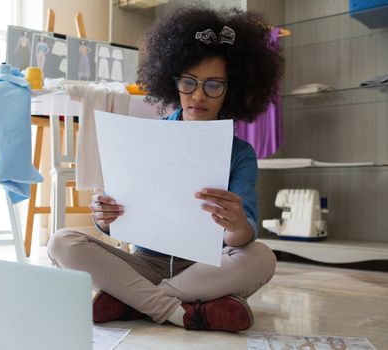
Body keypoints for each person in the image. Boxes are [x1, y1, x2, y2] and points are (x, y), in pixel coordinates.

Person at [48, 5, 284, 332]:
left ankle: (135, 301)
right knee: (61, 242)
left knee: (262, 257)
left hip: (206, 267)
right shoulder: (146, 135)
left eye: (214, 85)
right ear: (173, 81)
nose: (198, 95)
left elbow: (242, 238)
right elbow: (116, 223)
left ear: (232, 90)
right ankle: (185, 310)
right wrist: (105, 218)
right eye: (189, 82)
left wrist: (237, 221)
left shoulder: (240, 154)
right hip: (144, 263)